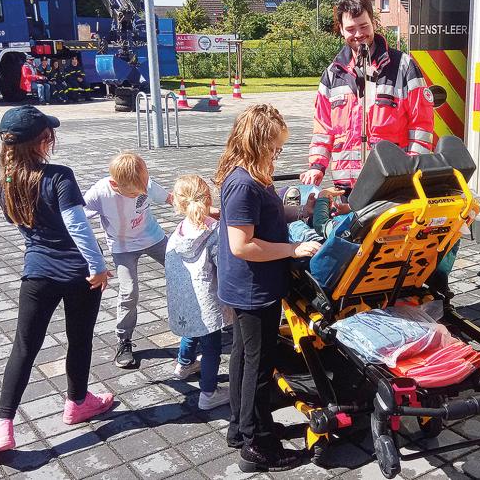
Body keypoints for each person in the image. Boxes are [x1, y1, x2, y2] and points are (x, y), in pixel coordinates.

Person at [0, 106, 114, 454]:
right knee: (79, 338)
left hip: (37, 273)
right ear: (43, 140)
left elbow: (23, 226)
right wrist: (97, 266)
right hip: (79, 274)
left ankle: (3, 426)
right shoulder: (59, 176)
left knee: (24, 348)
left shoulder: (4, 184)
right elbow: (77, 226)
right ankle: (77, 402)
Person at [214, 103, 321, 472]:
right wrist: (294, 248)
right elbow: (241, 245)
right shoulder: (243, 184)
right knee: (259, 366)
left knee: (244, 358)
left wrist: (301, 212)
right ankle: (257, 448)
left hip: (249, 285)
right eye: (274, 147)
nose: (278, 153)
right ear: (257, 142)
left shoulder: (253, 175)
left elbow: (268, 217)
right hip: (252, 287)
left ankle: (240, 428)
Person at [300, 0, 436, 191]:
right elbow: (323, 129)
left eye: (364, 26)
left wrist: (414, 170)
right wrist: (317, 166)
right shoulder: (332, 74)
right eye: (350, 29)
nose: (358, 34)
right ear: (341, 30)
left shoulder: (403, 66)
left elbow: (422, 125)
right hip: (346, 187)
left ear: (373, 23)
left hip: (392, 184)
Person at [83, 152, 172, 368]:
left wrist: (201, 212)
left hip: (153, 237)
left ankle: (207, 322)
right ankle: (124, 340)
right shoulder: (100, 192)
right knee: (129, 290)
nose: (139, 194)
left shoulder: (146, 183)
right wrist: (94, 259)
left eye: (143, 190)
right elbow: (76, 220)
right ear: (115, 184)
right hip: (122, 246)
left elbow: (171, 199)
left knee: (188, 269)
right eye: (133, 193)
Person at [166, 174, 230, 410]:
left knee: (191, 330)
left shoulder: (180, 230)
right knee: (212, 345)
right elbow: (223, 266)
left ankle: (184, 364)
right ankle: (209, 393)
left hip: (185, 295)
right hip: (206, 299)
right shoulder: (213, 231)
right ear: (208, 198)